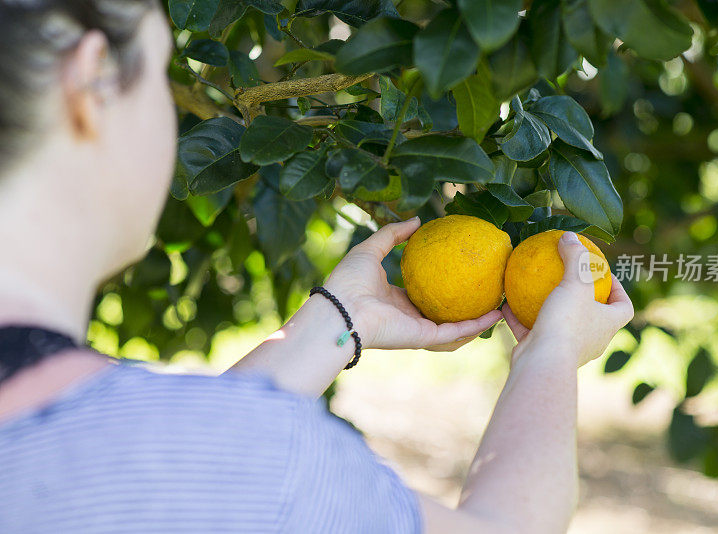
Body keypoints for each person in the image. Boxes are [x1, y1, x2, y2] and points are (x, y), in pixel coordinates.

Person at [0, 1, 634, 533]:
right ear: (90, 86)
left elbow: (208, 454)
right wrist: (550, 351)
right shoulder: (271, 467)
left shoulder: (122, 449)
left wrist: (341, 320)